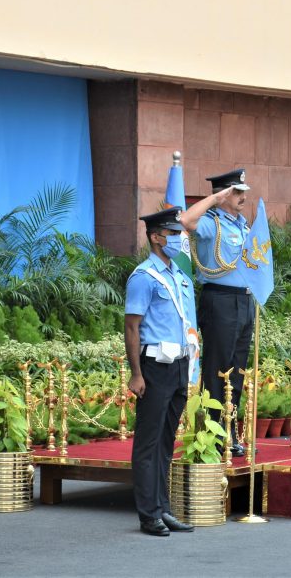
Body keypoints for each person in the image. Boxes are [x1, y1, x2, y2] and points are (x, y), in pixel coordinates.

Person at [125, 207, 197, 537]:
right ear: (156, 237)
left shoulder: (178, 276)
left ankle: (163, 508)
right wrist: (136, 374)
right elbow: (131, 327)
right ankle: (148, 514)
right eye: (173, 234)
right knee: (148, 444)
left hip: (179, 364)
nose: (180, 240)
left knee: (166, 443)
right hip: (154, 366)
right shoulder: (144, 277)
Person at [179, 169, 251, 456]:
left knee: (237, 373)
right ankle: (210, 434)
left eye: (244, 191)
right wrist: (213, 199)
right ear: (224, 195)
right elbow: (185, 220)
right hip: (220, 300)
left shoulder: (243, 226)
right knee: (217, 369)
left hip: (245, 302)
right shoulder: (212, 223)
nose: (243, 197)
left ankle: (230, 431)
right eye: (237, 192)